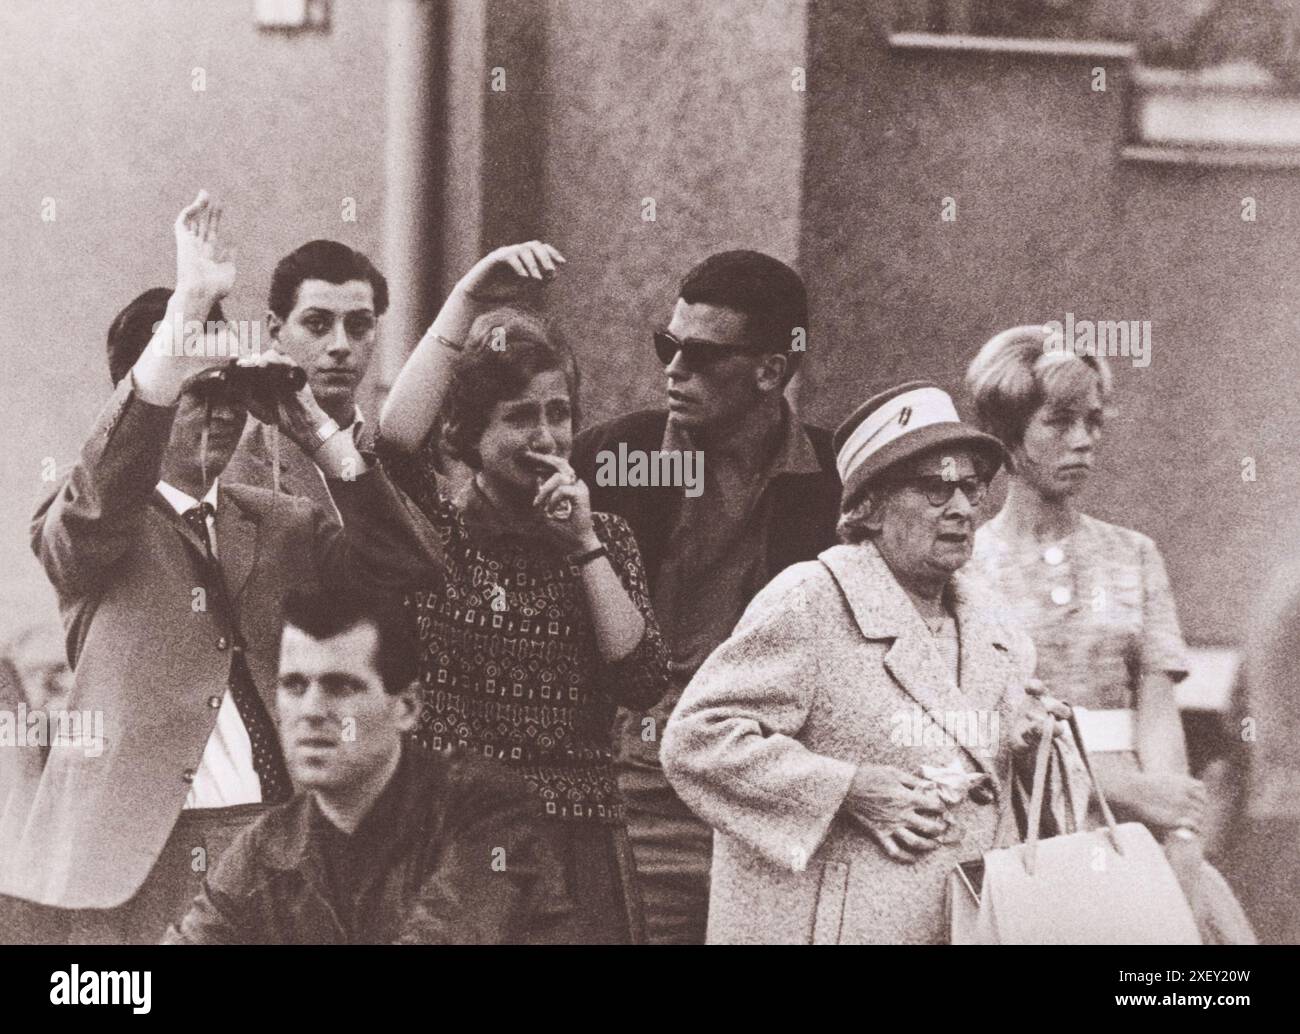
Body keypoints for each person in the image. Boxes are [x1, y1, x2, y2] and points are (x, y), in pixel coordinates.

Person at [0, 192, 440, 944]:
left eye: (234, 391)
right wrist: (189, 312)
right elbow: (100, 499)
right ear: (149, 399)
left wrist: (321, 438)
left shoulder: (278, 519)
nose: (225, 412)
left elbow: (409, 571)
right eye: (200, 393)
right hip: (140, 857)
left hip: (276, 840)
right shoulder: (90, 521)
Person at [661, 382, 1076, 944]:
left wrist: (1030, 743)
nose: (960, 508)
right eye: (935, 488)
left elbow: (1006, 791)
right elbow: (696, 740)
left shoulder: (999, 631)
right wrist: (846, 789)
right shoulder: (812, 600)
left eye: (970, 488)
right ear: (870, 508)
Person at [376, 241, 669, 943]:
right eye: (519, 417)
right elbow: (391, 442)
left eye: (559, 412)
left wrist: (583, 550)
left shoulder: (606, 536)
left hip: (577, 847)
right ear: (468, 432)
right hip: (456, 840)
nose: (547, 436)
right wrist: (466, 299)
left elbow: (642, 678)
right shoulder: (433, 530)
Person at [569, 249, 841, 944]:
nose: (673, 369)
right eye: (668, 345)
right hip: (634, 800)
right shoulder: (609, 457)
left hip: (765, 806)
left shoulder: (833, 483)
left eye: (699, 354)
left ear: (771, 370)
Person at [965, 325, 1254, 944]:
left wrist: (1178, 835)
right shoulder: (966, 566)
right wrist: (1120, 787)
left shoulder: (1134, 554)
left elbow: (1156, 711)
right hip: (1023, 825)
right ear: (1007, 431)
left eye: (1094, 422)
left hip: (1139, 826)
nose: (1084, 441)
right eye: (1060, 421)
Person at [166, 589, 566, 944]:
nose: (311, 711)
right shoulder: (269, 847)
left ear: (407, 707)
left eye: (341, 686)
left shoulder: (485, 810)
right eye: (294, 685)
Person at [222, 240, 387, 510]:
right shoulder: (234, 467)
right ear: (276, 330)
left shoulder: (396, 464)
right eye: (317, 324)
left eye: (358, 325)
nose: (340, 346)